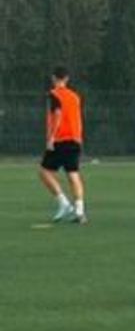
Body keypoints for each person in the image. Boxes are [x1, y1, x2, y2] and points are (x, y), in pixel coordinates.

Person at [39, 67, 87, 224]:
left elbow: (58, 114)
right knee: (73, 174)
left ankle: (64, 203)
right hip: (75, 138)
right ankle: (79, 210)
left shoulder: (54, 94)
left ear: (53, 78)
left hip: (60, 139)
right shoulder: (75, 96)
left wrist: (51, 137)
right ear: (67, 79)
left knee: (44, 172)